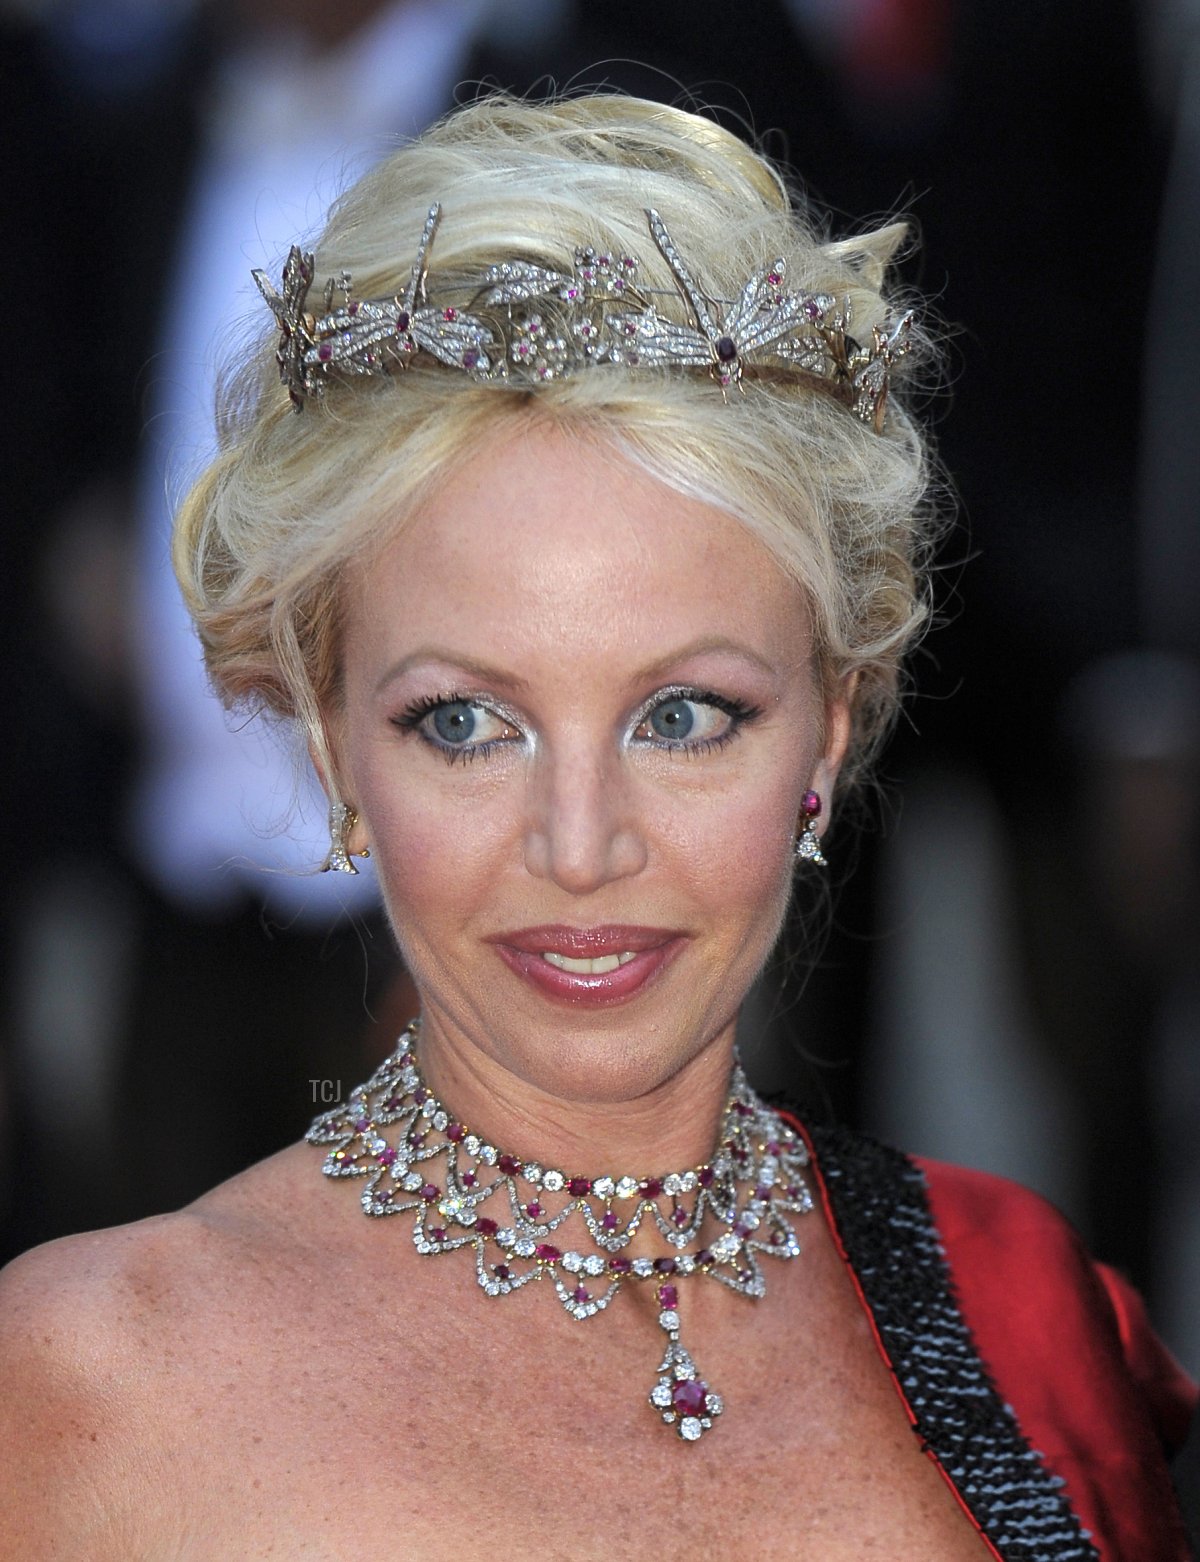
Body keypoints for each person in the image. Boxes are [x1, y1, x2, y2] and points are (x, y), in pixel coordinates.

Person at [0, 93, 1193, 1560]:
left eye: (685, 715)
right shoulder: (74, 1386)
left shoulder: (1039, 1322)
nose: (581, 844)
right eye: (464, 721)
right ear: (329, 737)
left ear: (828, 724)